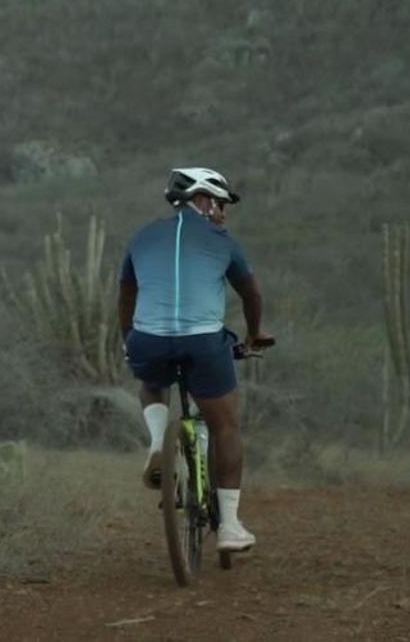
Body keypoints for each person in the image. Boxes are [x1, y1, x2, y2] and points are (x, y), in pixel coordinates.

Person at [118, 166, 273, 552]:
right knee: (225, 426)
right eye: (220, 204)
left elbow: (126, 295)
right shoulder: (224, 241)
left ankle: (157, 444)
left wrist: (129, 341)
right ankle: (231, 527)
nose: (223, 214)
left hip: (147, 339)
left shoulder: (143, 236)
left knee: (152, 381)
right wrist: (254, 334)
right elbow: (251, 296)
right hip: (203, 342)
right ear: (202, 201)